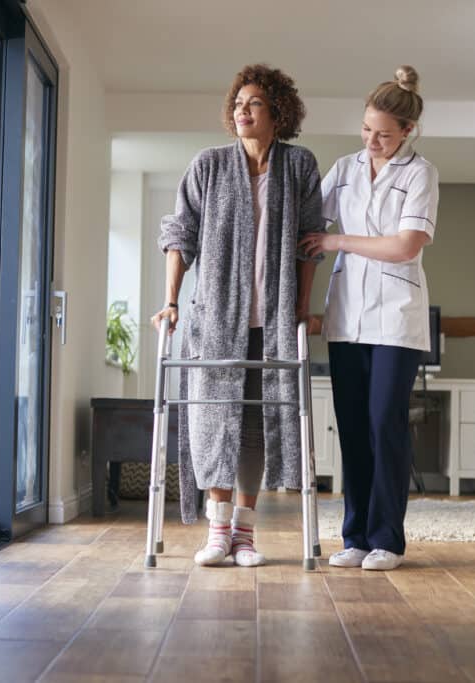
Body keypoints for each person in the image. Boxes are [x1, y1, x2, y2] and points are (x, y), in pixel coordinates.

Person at [153, 64, 325, 567]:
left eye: (253, 103)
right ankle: (217, 532)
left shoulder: (298, 167)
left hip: (269, 322)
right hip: (216, 320)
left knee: (256, 426)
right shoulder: (208, 165)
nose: (241, 111)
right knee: (212, 422)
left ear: (278, 112)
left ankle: (245, 536)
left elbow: (310, 243)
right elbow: (178, 234)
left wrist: (299, 310)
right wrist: (171, 299)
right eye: (237, 104)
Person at [299, 65, 439, 571]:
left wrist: (338, 241)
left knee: (385, 422)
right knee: (353, 426)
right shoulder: (345, 168)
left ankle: (387, 539)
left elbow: (405, 245)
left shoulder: (420, 174)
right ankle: (355, 536)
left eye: (383, 134)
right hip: (346, 318)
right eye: (366, 130)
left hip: (397, 321)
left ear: (407, 131)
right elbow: (308, 219)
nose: (372, 141)